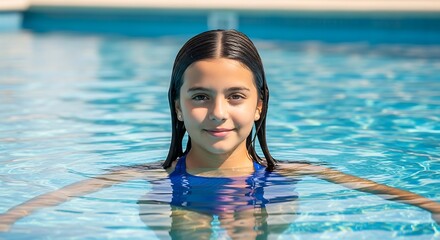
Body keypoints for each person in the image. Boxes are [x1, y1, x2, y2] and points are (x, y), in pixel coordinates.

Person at [1, 30, 439, 238]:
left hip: (257, 202)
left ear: (259, 103)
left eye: (234, 96)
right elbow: (59, 198)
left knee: (244, 224)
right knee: (192, 227)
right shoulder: (152, 177)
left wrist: (429, 205)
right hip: (180, 201)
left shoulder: (290, 172)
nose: (217, 114)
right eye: (199, 97)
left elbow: (379, 191)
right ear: (176, 104)